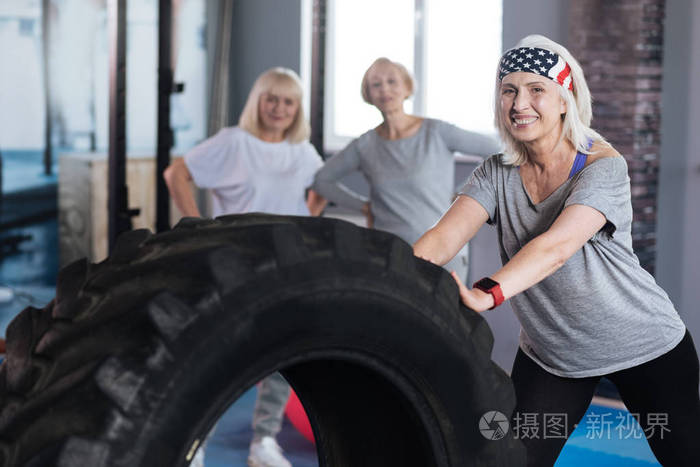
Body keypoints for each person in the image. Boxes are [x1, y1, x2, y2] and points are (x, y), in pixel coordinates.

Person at [413, 34, 700, 466]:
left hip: (645, 344)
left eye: (536, 90)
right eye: (508, 90)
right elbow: (443, 238)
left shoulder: (603, 166)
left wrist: (487, 293)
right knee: (512, 461)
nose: (518, 103)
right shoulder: (496, 172)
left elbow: (556, 247)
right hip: (553, 354)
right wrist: (387, 278)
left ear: (565, 100)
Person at [164, 67, 325, 467]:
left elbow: (324, 185)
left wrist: (306, 217)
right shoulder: (233, 143)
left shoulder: (301, 151)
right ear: (258, 101)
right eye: (271, 98)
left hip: (287, 264)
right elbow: (176, 173)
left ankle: (263, 444)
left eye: (288, 102)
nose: (279, 108)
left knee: (281, 357)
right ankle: (194, 442)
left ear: (297, 109)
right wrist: (196, 225)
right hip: (236, 263)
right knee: (221, 356)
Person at [312, 58, 500, 280]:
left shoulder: (436, 132)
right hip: (389, 255)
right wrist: (364, 207)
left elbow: (497, 152)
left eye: (392, 81)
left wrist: (465, 194)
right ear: (368, 94)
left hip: (446, 252)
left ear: (407, 87)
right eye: (376, 84)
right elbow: (322, 181)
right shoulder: (364, 145)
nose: (385, 89)